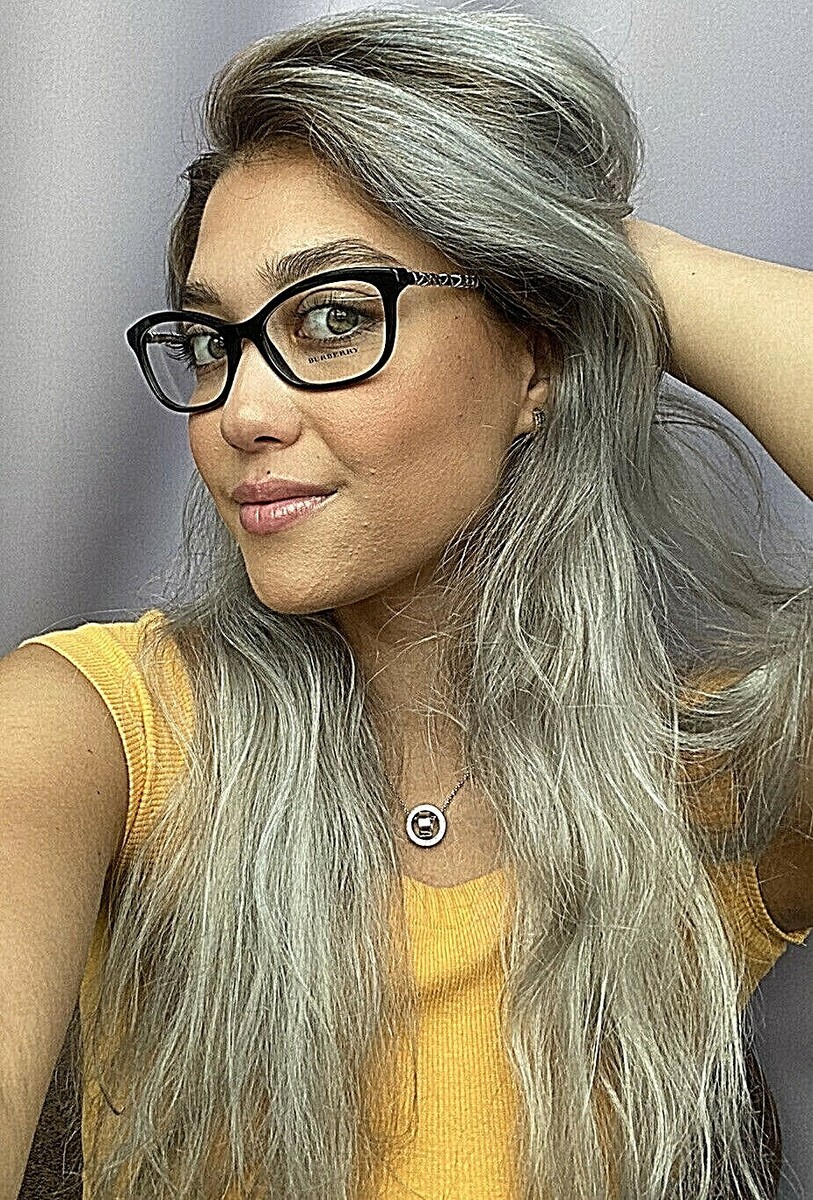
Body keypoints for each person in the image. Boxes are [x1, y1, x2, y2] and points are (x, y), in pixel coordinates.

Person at [3, 6, 811, 1198]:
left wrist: (592, 256)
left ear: (537, 359)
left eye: (334, 316)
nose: (239, 411)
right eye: (213, 341)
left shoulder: (707, 789)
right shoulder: (90, 733)